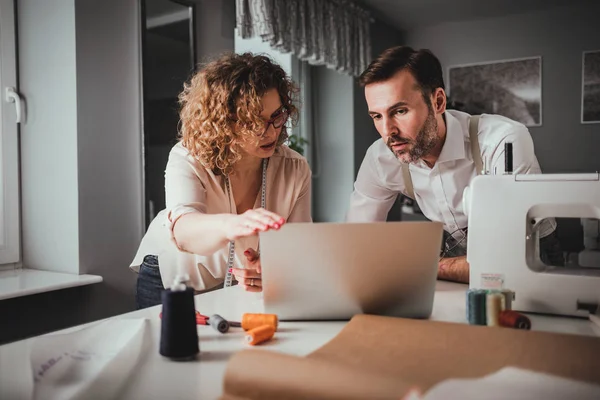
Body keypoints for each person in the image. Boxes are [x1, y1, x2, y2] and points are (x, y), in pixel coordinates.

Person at [346, 46, 560, 283]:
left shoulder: (502, 140)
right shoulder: (381, 158)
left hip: (530, 253)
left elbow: (507, 258)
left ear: (437, 101)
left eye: (400, 111)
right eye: (377, 116)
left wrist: (416, 265)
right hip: (451, 257)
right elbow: (357, 240)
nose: (388, 132)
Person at [130, 53, 312, 309]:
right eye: (254, 122)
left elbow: (296, 244)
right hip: (171, 276)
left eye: (277, 116)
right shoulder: (188, 156)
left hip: (234, 279)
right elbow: (183, 230)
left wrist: (271, 268)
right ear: (223, 122)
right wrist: (232, 225)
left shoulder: (294, 168)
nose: (271, 131)